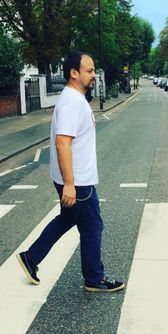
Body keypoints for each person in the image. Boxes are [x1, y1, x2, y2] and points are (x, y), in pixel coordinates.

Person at [17, 52, 125, 293]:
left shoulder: (74, 99)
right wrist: (69, 184)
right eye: (90, 70)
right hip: (78, 182)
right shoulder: (72, 103)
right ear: (74, 73)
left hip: (73, 179)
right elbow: (62, 142)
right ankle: (94, 278)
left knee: (67, 219)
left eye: (94, 70)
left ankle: (31, 258)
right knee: (93, 228)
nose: (94, 75)